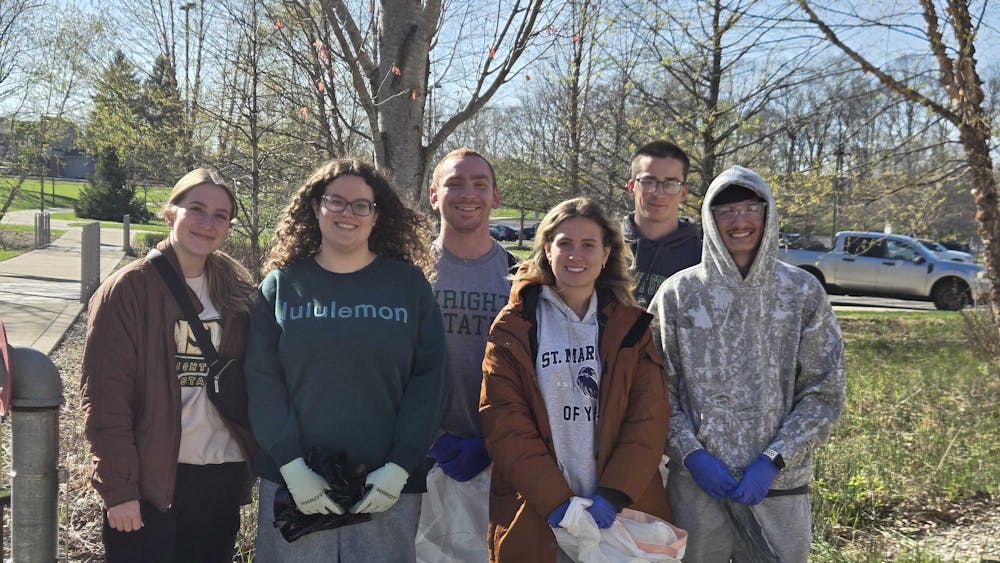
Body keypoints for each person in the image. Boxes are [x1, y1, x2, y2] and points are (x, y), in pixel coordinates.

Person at [246, 158, 446, 562]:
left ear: (377, 215)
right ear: (316, 207)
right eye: (335, 201)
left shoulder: (408, 286)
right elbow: (262, 381)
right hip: (295, 488)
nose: (347, 213)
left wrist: (401, 464)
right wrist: (292, 467)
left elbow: (431, 380)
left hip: (384, 488)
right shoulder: (282, 285)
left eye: (361, 205)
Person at [648, 166, 846, 562]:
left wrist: (774, 459)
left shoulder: (801, 293)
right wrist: (691, 454)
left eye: (750, 208)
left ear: (767, 212)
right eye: (726, 212)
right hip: (698, 491)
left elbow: (824, 391)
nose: (740, 221)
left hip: (779, 490)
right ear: (709, 219)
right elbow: (653, 390)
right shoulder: (678, 295)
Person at [480, 197, 671, 562]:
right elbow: (503, 421)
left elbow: (648, 418)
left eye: (588, 245)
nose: (575, 255)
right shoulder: (514, 326)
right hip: (538, 511)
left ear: (606, 254)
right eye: (564, 243)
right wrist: (555, 501)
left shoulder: (631, 327)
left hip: (620, 512)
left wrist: (615, 493)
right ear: (547, 249)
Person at [81, 168, 257, 562]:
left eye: (220, 215)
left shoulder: (240, 294)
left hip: (220, 476)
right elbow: (106, 401)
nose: (207, 223)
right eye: (196, 209)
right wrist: (119, 490)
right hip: (151, 481)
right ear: (170, 213)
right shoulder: (128, 290)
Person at [417, 148, 516, 562]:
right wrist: (428, 438)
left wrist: (496, 441)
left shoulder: (519, 276)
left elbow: (536, 376)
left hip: (500, 461)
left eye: (479, 184)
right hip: (417, 460)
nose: (467, 193)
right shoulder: (408, 271)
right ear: (434, 194)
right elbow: (385, 370)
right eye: (455, 182)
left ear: (495, 196)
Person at [621, 140, 701, 307]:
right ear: (631, 187)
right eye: (648, 182)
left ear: (683, 192)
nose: (659, 193)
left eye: (671, 184)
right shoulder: (604, 247)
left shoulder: (703, 258)